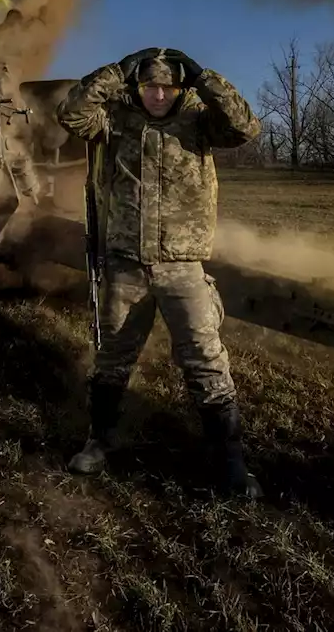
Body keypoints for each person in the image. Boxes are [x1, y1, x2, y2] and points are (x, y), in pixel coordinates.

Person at [55, 47, 264, 499]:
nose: (158, 94)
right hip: (126, 267)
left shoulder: (200, 121)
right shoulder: (114, 120)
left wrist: (206, 77)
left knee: (207, 364)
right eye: (149, 85)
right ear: (138, 85)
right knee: (112, 360)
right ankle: (100, 441)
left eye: (168, 86)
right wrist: (113, 72)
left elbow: (246, 127)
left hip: (183, 268)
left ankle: (231, 462)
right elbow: (70, 115)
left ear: (180, 87)